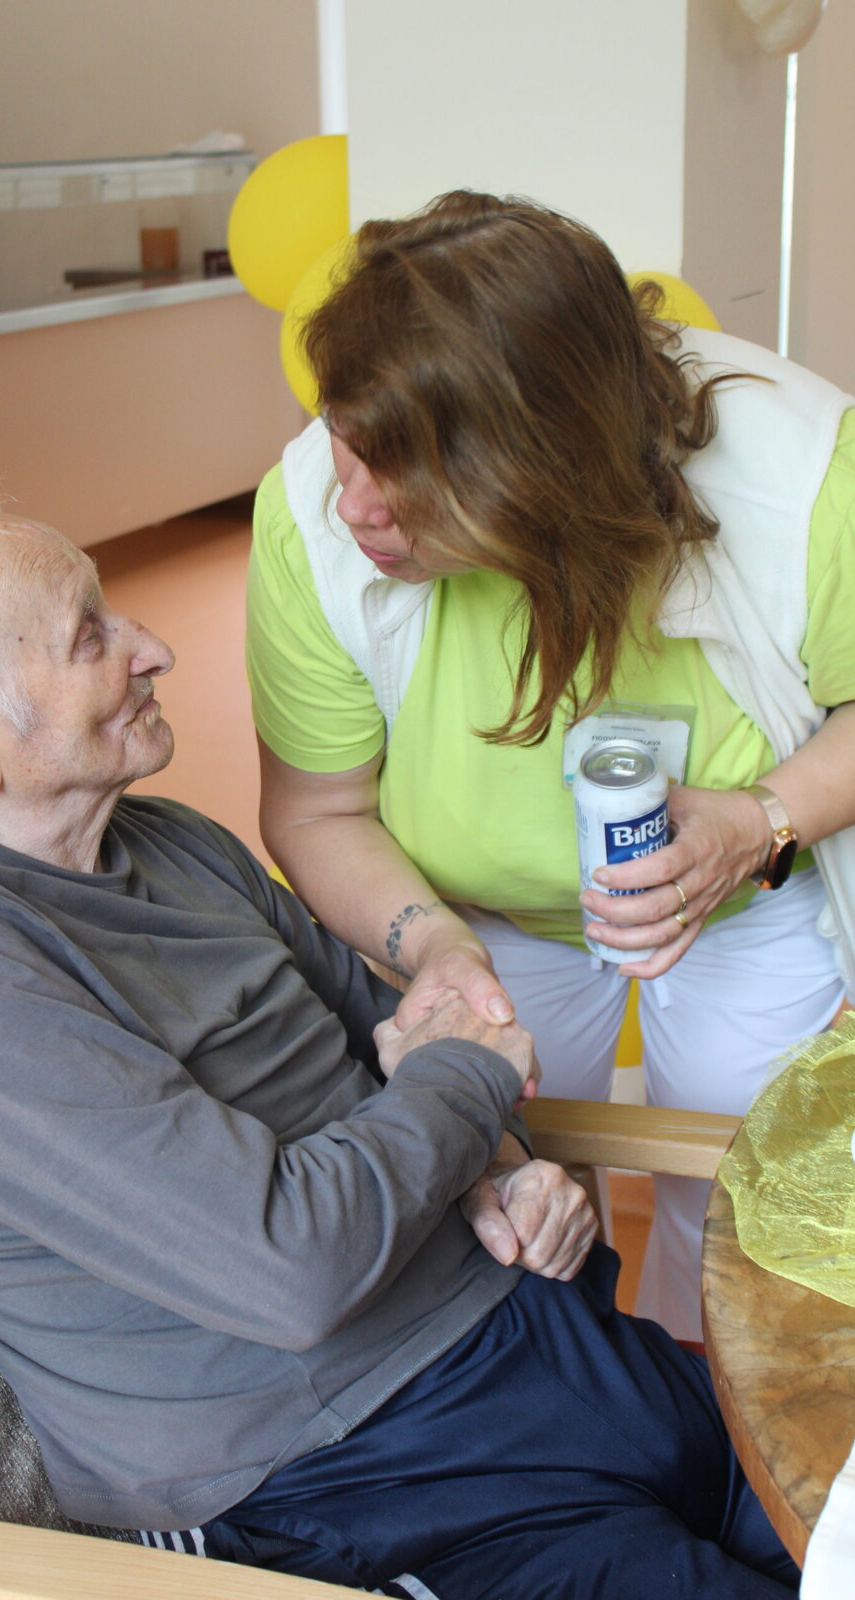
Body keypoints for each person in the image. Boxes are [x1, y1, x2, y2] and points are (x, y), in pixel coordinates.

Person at [0, 470, 797, 1599]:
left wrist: (506, 1168)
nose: (151, 648)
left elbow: (390, 1029)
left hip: (542, 1334)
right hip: (359, 1471)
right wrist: (468, 1085)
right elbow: (292, 1264)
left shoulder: (167, 841)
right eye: (89, 636)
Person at [246, 190, 855, 1342]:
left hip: (749, 894)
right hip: (467, 916)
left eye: (402, 476)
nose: (352, 507)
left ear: (539, 471)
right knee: (501, 1217)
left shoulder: (803, 474)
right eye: (345, 442)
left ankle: (704, 1407)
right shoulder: (311, 519)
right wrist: (435, 947)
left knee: (748, 1218)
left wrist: (758, 822)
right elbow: (316, 811)